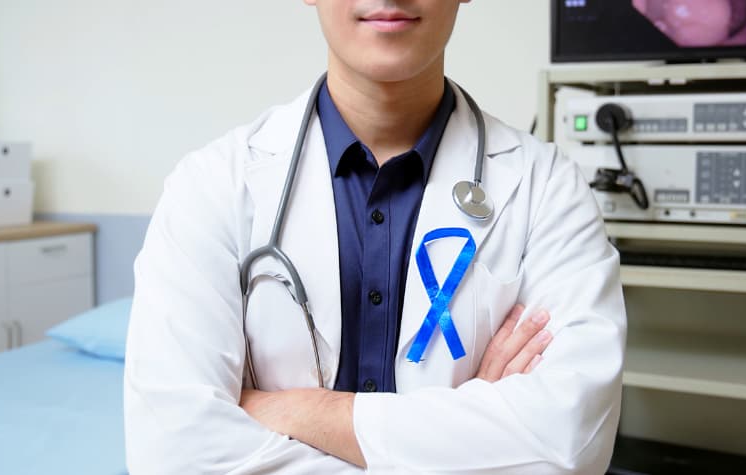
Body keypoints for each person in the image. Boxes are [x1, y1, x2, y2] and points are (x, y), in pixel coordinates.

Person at [124, 1, 626, 473]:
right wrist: (470, 445)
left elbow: (571, 441)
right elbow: (172, 451)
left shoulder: (548, 187)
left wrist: (307, 413)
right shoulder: (212, 184)